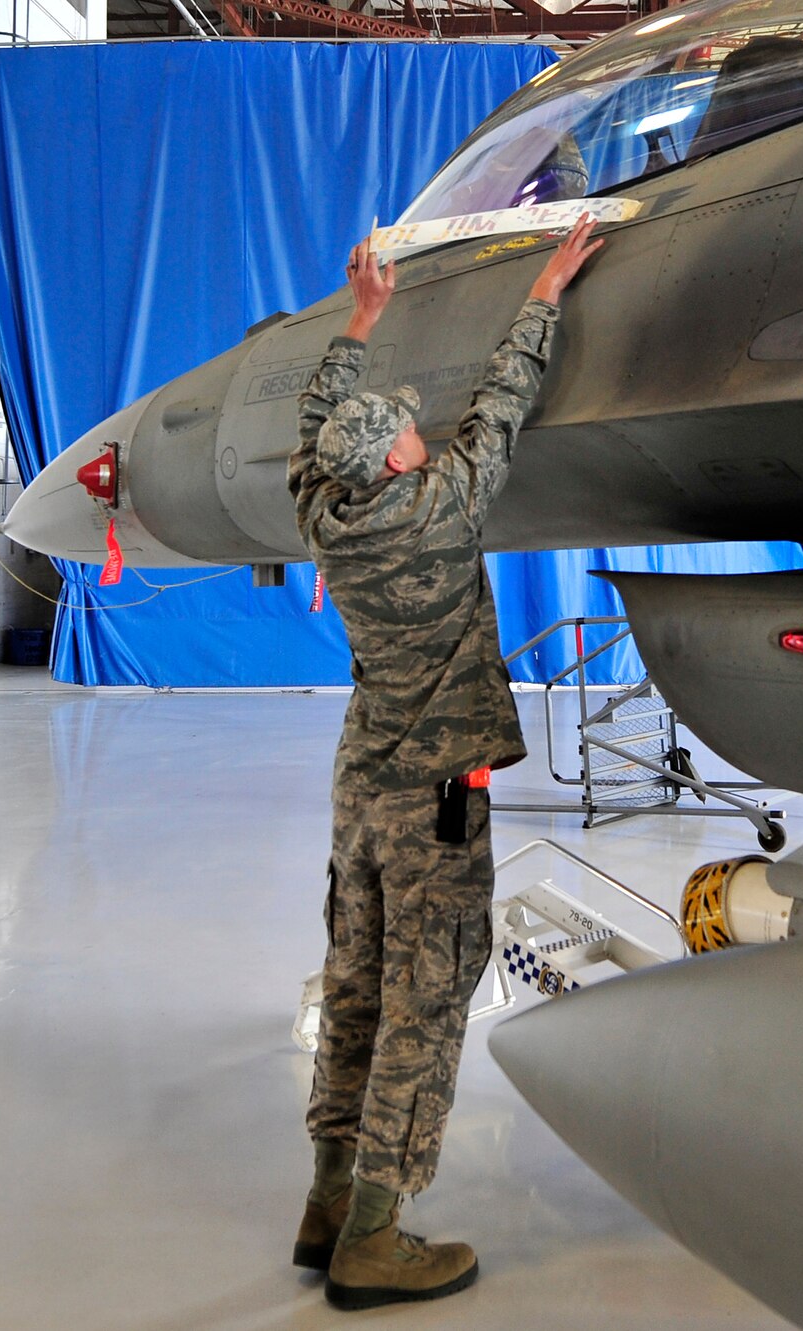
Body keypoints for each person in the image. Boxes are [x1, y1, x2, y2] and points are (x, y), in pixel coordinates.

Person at [286, 219, 604, 1310]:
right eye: (406, 433)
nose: (424, 435)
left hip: (362, 795)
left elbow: (314, 427)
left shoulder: (328, 513)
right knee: (426, 1000)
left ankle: (325, 1196)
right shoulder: (439, 508)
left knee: (356, 983)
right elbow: (503, 404)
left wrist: (361, 321)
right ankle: (375, 1232)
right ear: (393, 464)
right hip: (434, 809)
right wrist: (548, 288)